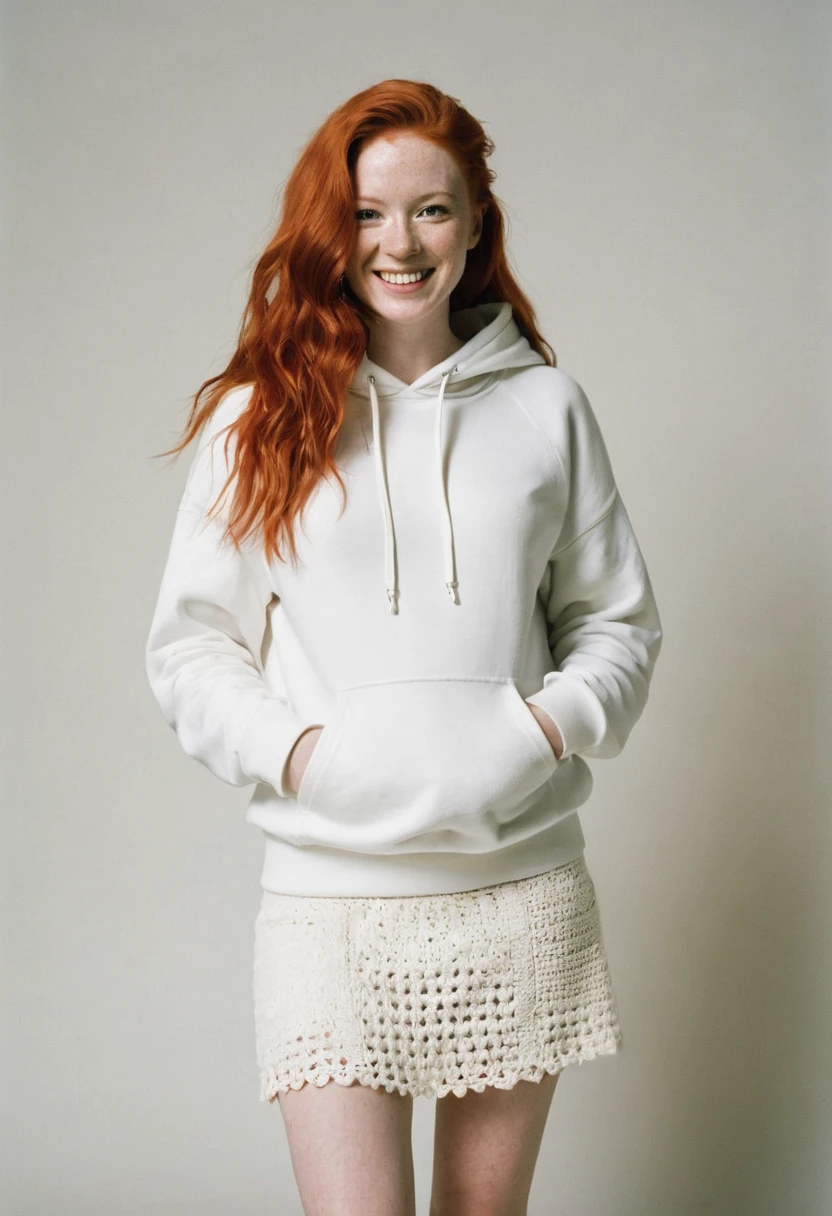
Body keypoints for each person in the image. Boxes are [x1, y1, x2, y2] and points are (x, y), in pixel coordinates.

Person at [145, 78, 663, 1216]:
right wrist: (304, 757)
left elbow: (617, 622)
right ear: (334, 229)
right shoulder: (259, 417)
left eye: (432, 209)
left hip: (518, 890)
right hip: (328, 904)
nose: (400, 242)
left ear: (476, 223)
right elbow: (191, 648)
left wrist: (539, 727)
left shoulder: (547, 408)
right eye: (369, 212)